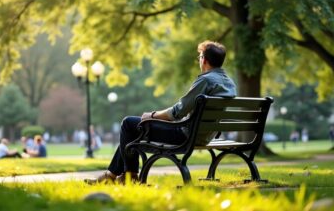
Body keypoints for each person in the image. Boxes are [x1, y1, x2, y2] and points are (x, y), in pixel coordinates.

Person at [85, 40, 237, 184]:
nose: (199, 59)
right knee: (132, 134)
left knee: (128, 123)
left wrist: (152, 115)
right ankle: (113, 176)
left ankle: (127, 177)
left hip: (185, 136)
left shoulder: (205, 80)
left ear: (204, 60)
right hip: (205, 136)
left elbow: (178, 112)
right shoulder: (229, 83)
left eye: (200, 56)